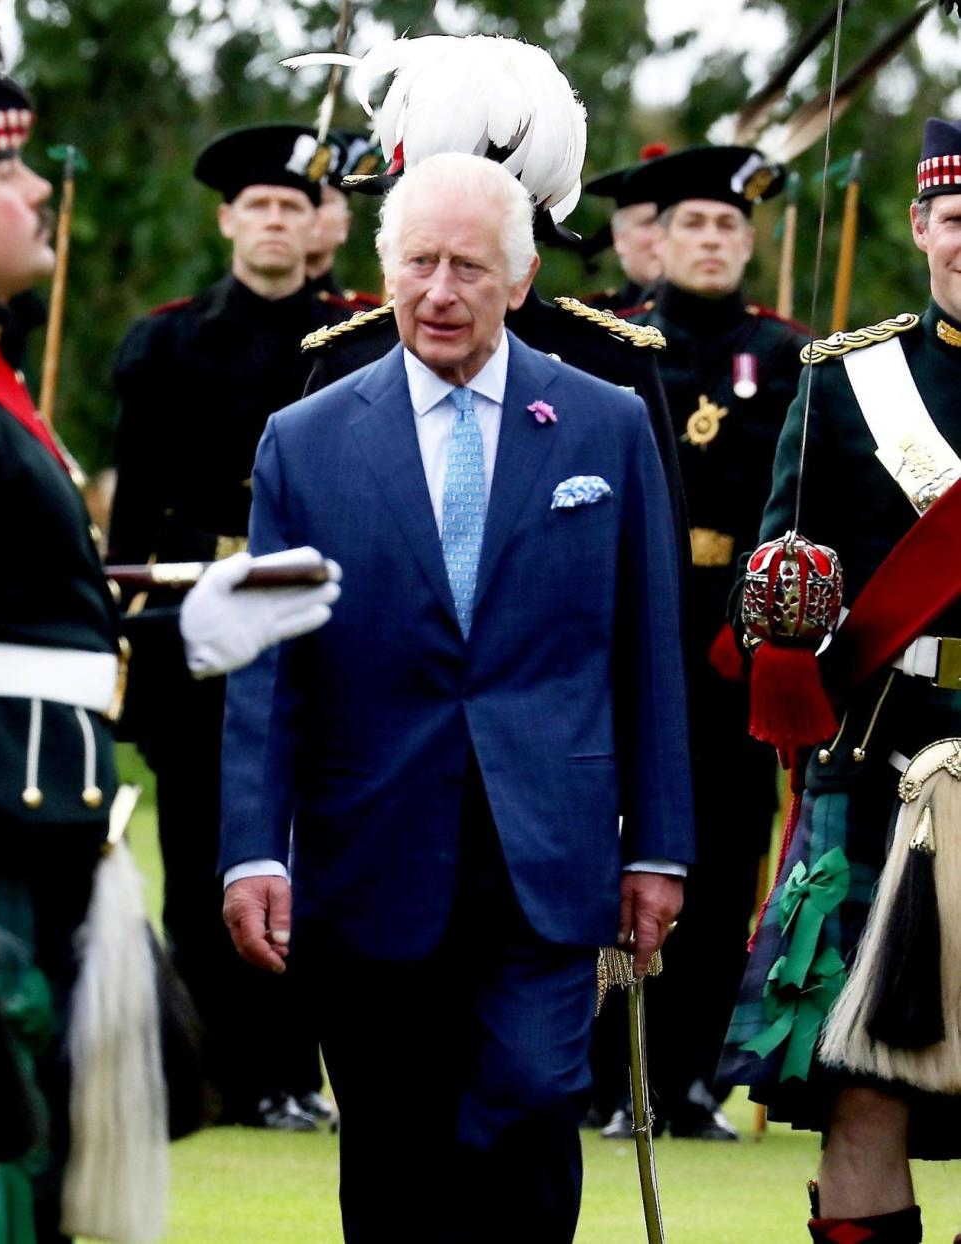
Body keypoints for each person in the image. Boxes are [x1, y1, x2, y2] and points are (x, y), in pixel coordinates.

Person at [0, 37, 340, 1241]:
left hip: (34, 827)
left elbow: (37, 627)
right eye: (3, 171)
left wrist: (188, 631)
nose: (35, 191)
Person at [220, 151, 693, 1244]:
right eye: (419, 263)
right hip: (368, 846)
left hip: (548, 853)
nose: (440, 292)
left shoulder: (605, 424)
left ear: (520, 279)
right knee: (391, 1136)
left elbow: (648, 654)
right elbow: (269, 668)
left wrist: (659, 847)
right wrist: (253, 847)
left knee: (530, 1098)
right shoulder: (305, 439)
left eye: (469, 268)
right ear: (384, 271)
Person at [722, 116, 961, 1244]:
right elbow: (763, 587)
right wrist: (777, 619)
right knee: (863, 1078)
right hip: (882, 758)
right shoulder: (852, 379)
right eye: (959, 219)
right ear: (922, 225)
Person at [106, 122, 349, 1132]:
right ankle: (204, 1066)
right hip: (195, 615)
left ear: (318, 223)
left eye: (294, 206)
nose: (275, 222)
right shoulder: (165, 342)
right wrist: (131, 637)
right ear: (227, 219)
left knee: (307, 852)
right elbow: (129, 517)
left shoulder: (352, 340)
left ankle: (289, 1070)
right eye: (258, 206)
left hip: (315, 616)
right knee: (205, 848)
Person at [299, 34, 691, 586]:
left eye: (473, 252)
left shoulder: (609, 366)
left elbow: (654, 575)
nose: (445, 285)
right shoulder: (350, 362)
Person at [607, 144, 808, 1142]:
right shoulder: (615, 343)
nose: (713, 239)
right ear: (661, 236)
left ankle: (688, 1078)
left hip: (737, 645)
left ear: (750, 240)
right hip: (628, 632)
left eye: (731, 225)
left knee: (726, 864)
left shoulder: (788, 358)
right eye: (695, 223)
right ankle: (605, 1074)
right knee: (612, 851)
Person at [581, 142, 668, 312]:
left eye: (674, 223)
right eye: (648, 223)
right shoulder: (589, 323)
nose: (662, 235)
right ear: (618, 238)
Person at [304, 128, 381, 305]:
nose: (309, 213)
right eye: (293, 206)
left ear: (346, 223)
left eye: (320, 202)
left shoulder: (367, 321)